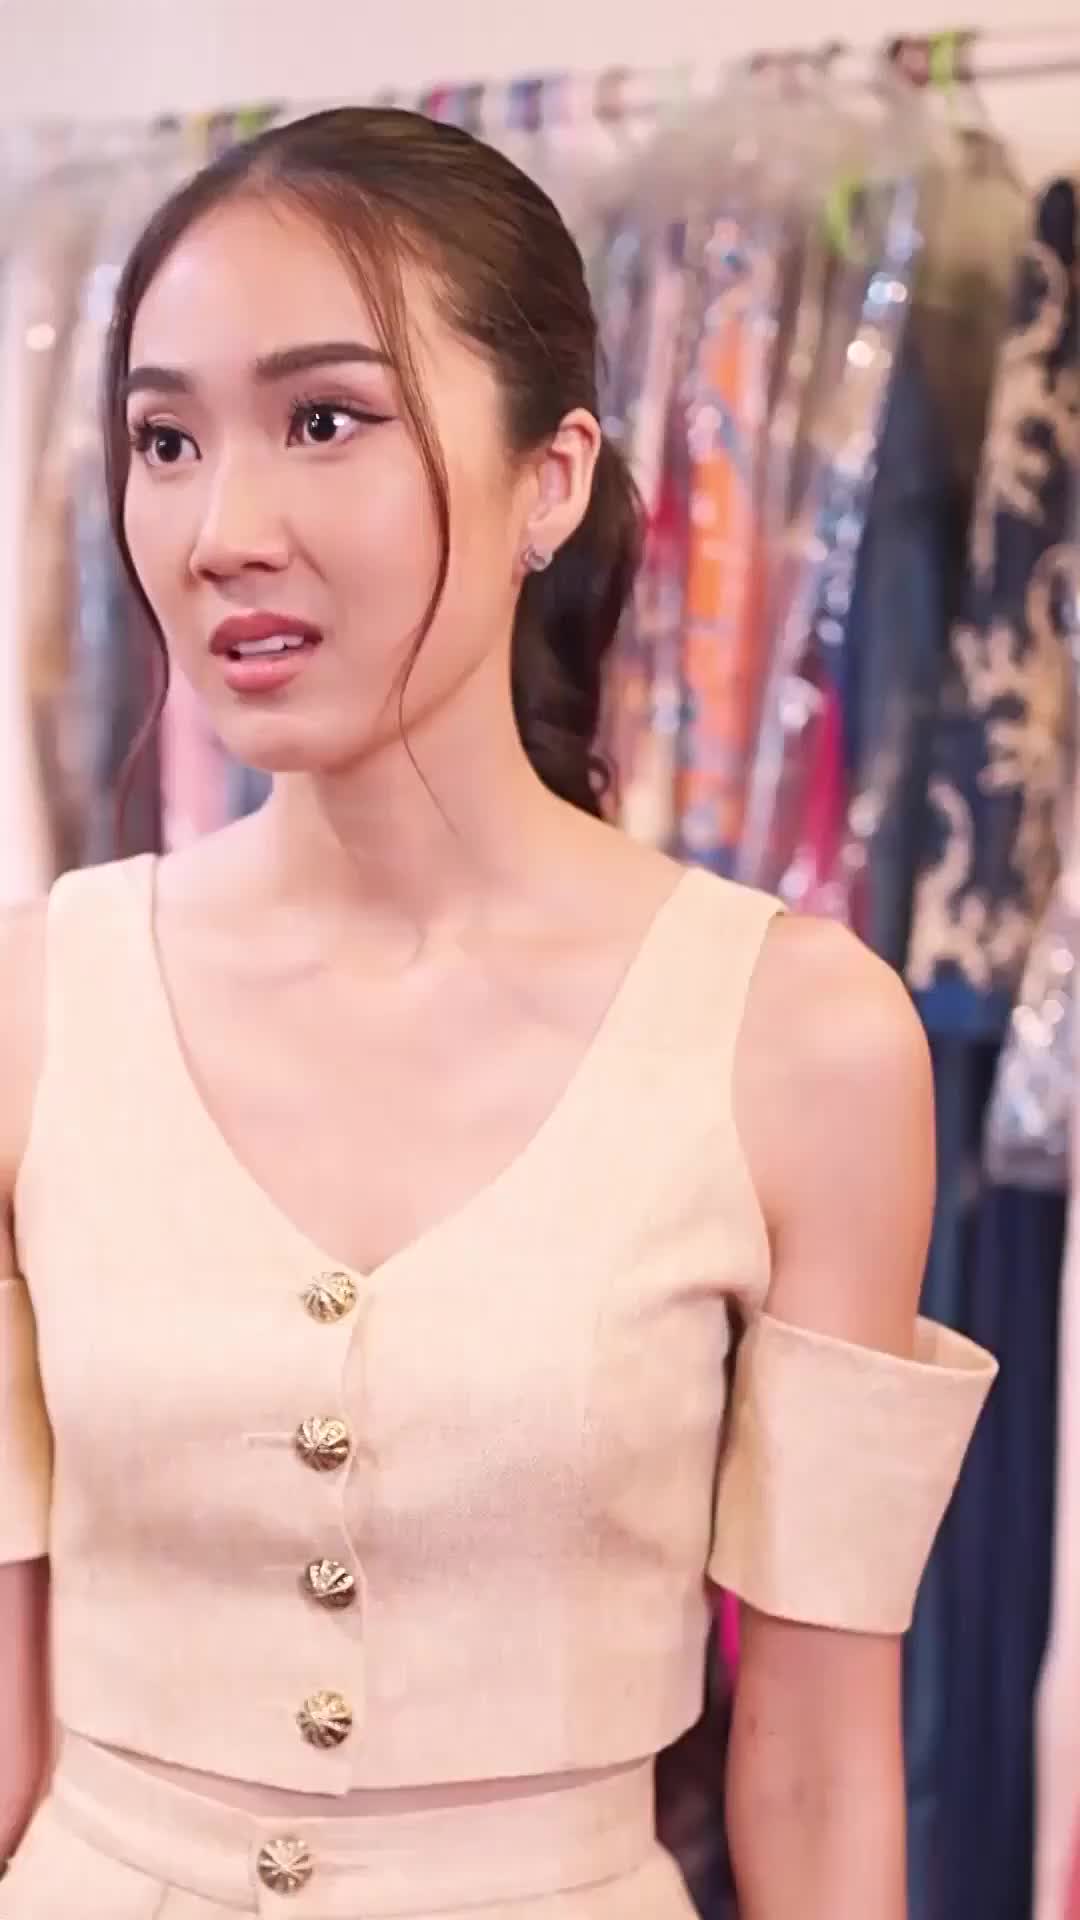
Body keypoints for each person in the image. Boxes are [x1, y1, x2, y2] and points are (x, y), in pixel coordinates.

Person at [0, 106, 996, 1920]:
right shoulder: (34, 1008)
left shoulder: (800, 1041)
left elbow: (817, 1769)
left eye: (326, 420)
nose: (222, 531)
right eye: (164, 440)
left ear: (552, 478)